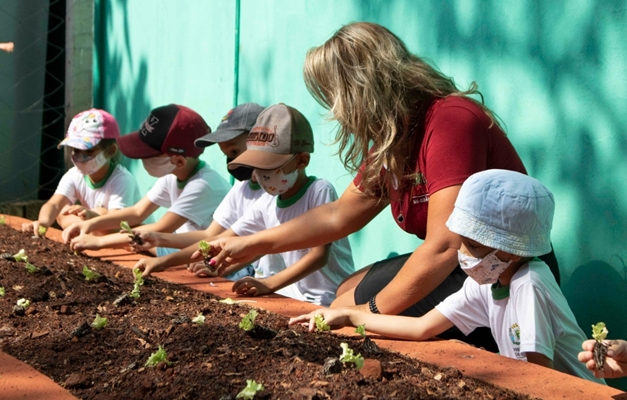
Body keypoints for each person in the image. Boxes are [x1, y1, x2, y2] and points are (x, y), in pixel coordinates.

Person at [204, 22, 559, 351]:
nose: (338, 113)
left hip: (502, 269)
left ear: (362, 88)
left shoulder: (450, 121)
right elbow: (338, 216)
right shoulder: (395, 138)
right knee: (343, 294)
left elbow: (445, 246)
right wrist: (251, 244)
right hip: (458, 266)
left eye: (335, 96)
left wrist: (367, 315)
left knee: (349, 310)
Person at [290, 170, 604, 384]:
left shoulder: (529, 283)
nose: (462, 252)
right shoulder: (488, 283)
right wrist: (344, 316)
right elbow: (421, 327)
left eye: (474, 245)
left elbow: (541, 379)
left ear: (512, 251)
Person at [138, 103, 354, 306]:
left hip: (329, 297)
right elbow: (219, 239)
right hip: (293, 292)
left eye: (270, 168)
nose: (261, 176)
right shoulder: (267, 201)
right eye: (256, 168)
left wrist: (269, 284)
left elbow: (318, 256)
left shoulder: (319, 191)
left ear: (301, 161)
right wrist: (164, 262)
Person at [61, 104, 231, 255]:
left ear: (178, 160)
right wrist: (91, 225)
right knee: (133, 238)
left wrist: (99, 242)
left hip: (216, 259)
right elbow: (137, 212)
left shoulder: (202, 185)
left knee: (139, 241)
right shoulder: (173, 175)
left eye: (150, 154)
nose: (143, 159)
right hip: (190, 250)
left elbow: (161, 228)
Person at [129, 102, 266, 280]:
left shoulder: (207, 184)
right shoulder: (242, 188)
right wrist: (161, 244)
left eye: (235, 150)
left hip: (254, 275)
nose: (232, 162)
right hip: (247, 270)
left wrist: (218, 266)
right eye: (228, 155)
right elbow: (211, 235)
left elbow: (262, 246)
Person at [22, 108, 140, 237]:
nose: (80, 156)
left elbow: (117, 225)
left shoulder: (122, 180)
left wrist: (92, 215)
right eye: (76, 150)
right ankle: (88, 228)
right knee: (63, 212)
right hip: (100, 231)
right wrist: (43, 223)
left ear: (110, 151)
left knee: (101, 213)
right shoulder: (74, 175)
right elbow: (54, 204)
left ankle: (88, 227)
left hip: (128, 238)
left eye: (89, 151)